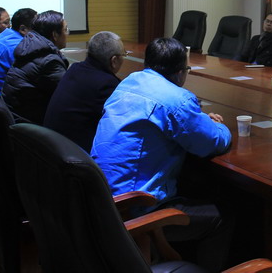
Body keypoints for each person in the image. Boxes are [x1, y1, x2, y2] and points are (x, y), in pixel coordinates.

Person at [92, 38, 233, 272]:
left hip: (104, 202)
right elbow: (214, 142)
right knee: (222, 217)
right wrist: (219, 126)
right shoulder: (176, 99)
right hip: (136, 209)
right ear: (180, 73)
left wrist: (197, 120)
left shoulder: (127, 83)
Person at [43, 31, 125, 152]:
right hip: (72, 155)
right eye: (124, 54)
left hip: (50, 145)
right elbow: (119, 126)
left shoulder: (74, 68)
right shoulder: (107, 84)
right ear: (114, 60)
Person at [2, 10, 69, 124]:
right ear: (54, 35)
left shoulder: (30, 47)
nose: (68, 34)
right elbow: (69, 95)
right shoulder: (49, 61)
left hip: (17, 117)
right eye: (65, 30)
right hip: (30, 125)